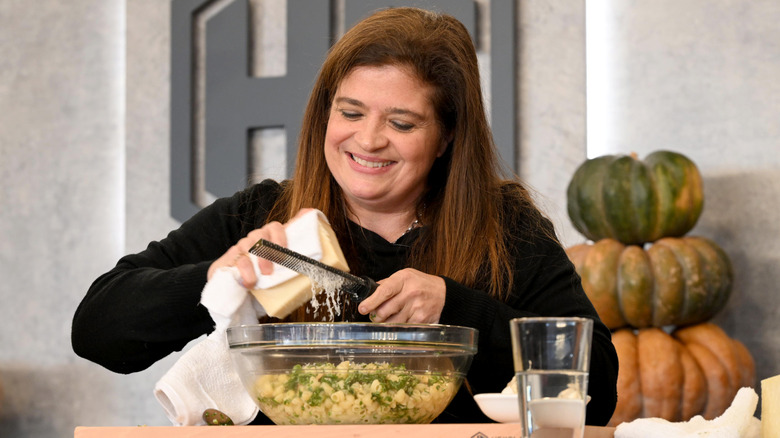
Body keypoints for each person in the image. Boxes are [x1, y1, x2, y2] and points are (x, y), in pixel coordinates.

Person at [72, 7, 618, 425]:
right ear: (324, 114)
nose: (368, 140)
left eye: (402, 123)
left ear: (446, 137)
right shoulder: (262, 215)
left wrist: (455, 309)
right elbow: (97, 331)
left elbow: (598, 389)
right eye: (350, 112)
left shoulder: (505, 229)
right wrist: (218, 278)